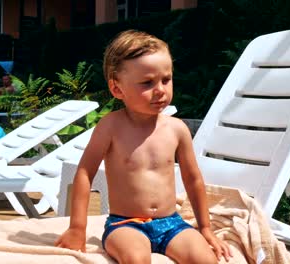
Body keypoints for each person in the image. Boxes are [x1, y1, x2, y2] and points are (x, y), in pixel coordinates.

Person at [55, 30, 232, 263]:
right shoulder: (111, 127)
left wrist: (206, 228)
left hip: (172, 223)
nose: (160, 89)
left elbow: (193, 179)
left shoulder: (177, 129)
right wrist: (78, 227)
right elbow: (85, 173)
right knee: (137, 258)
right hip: (125, 224)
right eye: (147, 83)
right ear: (117, 89)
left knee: (205, 259)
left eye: (166, 80)